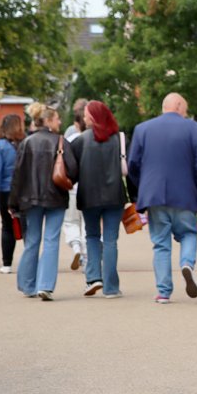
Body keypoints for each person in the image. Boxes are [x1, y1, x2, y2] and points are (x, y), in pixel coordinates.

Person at [127, 92, 197, 304]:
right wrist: (196, 183)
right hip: (184, 193)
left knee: (161, 243)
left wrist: (143, 185)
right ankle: (187, 263)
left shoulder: (142, 129)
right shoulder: (194, 128)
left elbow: (132, 164)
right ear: (180, 105)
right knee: (189, 233)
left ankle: (163, 292)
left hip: (154, 194)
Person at [9, 106, 77, 301]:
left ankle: (27, 285)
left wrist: (13, 203)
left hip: (31, 199)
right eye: (56, 119)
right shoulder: (61, 142)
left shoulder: (26, 143)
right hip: (56, 197)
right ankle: (45, 285)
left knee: (32, 240)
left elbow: (18, 175)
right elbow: (72, 170)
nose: (59, 122)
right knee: (51, 240)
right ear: (47, 121)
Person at [71, 101, 126, 299]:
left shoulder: (81, 140)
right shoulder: (117, 140)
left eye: (87, 115)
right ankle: (111, 288)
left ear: (94, 117)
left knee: (92, 236)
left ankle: (94, 278)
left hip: (89, 196)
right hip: (114, 196)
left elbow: (71, 169)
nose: (84, 118)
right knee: (111, 240)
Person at [0, 114, 26, 274]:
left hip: (6, 190)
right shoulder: (26, 143)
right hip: (24, 190)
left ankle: (7, 264)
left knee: (7, 226)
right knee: (27, 226)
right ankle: (30, 261)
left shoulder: (0, 145)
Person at [61, 98, 89, 271]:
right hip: (89, 188)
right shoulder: (95, 139)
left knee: (70, 221)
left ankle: (76, 246)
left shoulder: (69, 139)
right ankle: (86, 257)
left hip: (72, 187)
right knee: (87, 223)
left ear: (76, 124)